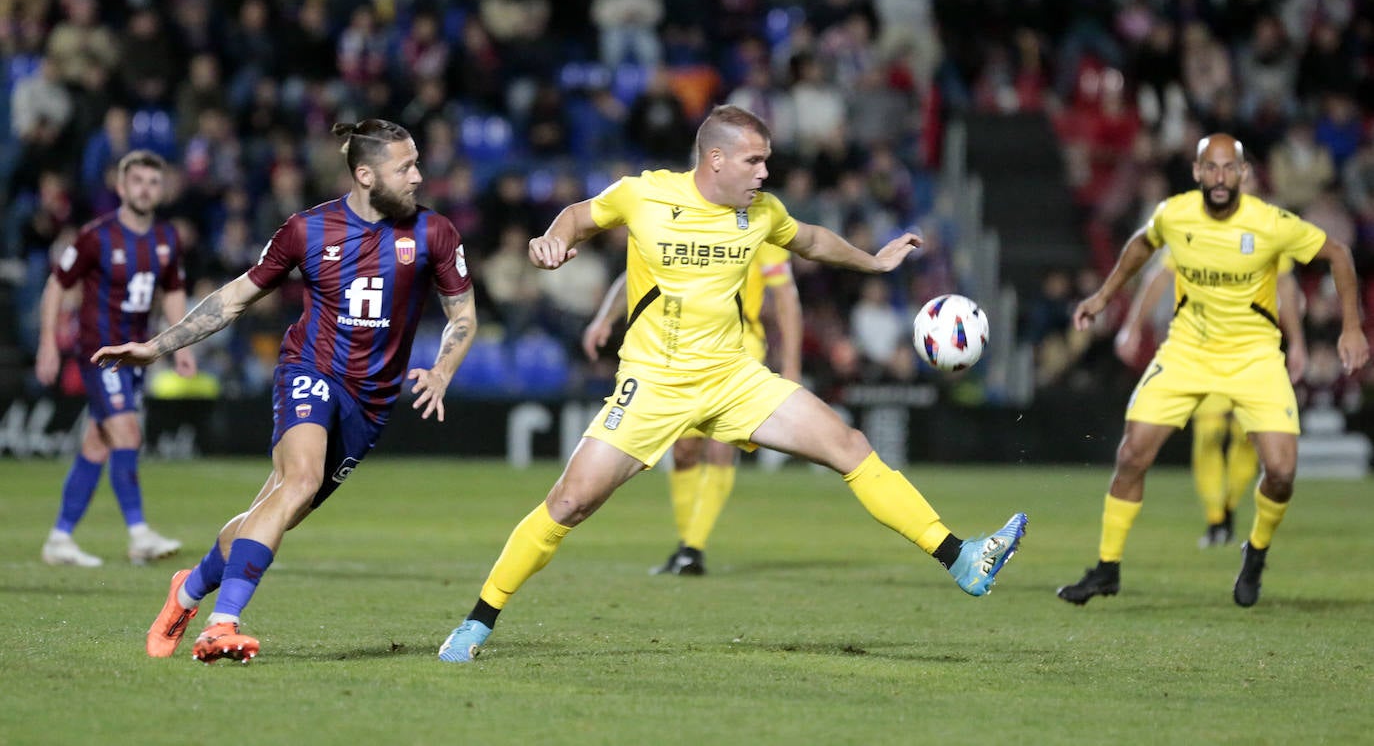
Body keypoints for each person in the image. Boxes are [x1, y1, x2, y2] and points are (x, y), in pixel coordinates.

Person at [439, 105, 1028, 663]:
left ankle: (962, 558)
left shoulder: (762, 212)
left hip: (732, 377)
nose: (765, 172)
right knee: (569, 503)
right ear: (715, 160)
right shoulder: (644, 194)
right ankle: (477, 622)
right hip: (653, 383)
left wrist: (874, 262)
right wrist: (553, 240)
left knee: (849, 447)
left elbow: (813, 240)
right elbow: (578, 215)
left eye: (766, 160)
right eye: (754, 161)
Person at [92, 119, 478, 662]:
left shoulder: (435, 233)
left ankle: (185, 592)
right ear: (365, 174)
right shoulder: (307, 230)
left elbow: (462, 314)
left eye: (416, 163)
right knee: (299, 480)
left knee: (278, 508)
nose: (418, 176)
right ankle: (223, 624)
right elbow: (233, 299)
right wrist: (155, 347)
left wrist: (442, 370)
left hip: (371, 402)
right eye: (406, 167)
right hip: (310, 369)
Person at [1058, 133, 1368, 609]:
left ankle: (1256, 552)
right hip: (1188, 351)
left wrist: (1351, 327)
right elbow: (1143, 246)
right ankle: (1106, 568)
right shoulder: (1175, 214)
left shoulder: (1268, 223)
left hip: (1254, 356)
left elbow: (1339, 255)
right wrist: (1104, 296)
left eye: (1229, 169)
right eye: (1211, 168)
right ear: (1198, 172)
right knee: (1132, 454)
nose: (1220, 177)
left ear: (1243, 175)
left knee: (1282, 472)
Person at [581, 239, 803, 576]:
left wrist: (791, 368)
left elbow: (786, 296)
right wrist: (604, 318)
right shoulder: (681, 213)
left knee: (720, 448)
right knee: (684, 451)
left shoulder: (758, 221)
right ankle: (687, 548)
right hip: (684, 347)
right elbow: (638, 271)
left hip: (740, 348)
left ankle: (692, 548)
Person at [35, 150, 191, 567]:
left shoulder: (167, 239)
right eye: (137, 181)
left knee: (96, 444)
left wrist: (181, 345)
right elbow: (56, 284)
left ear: (162, 189)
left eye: (153, 182)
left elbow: (173, 292)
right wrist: (48, 342)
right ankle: (139, 533)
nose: (145, 188)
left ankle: (59, 538)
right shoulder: (95, 236)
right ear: (121, 187)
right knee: (126, 432)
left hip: (136, 356)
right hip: (99, 353)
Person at [1113, 247, 1308, 548]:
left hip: (1251, 356)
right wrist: (1135, 325)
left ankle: (1228, 505)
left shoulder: (1266, 230)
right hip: (1202, 354)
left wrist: (1296, 340)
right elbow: (1161, 275)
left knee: (1245, 438)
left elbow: (1286, 285)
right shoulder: (1193, 226)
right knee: (1209, 434)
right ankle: (1216, 517)